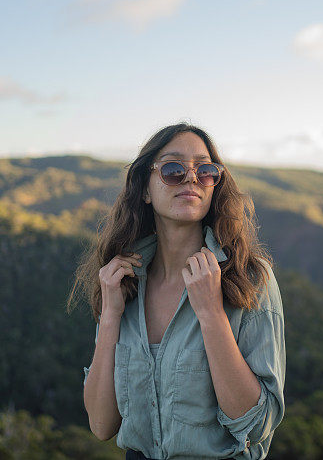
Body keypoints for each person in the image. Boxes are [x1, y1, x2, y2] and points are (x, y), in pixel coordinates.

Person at [70, 122, 285, 460]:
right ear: (145, 188)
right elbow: (101, 424)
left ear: (215, 184)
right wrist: (110, 317)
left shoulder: (249, 279)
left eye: (205, 170)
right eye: (173, 169)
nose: (191, 179)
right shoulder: (123, 283)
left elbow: (256, 425)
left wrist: (212, 313)